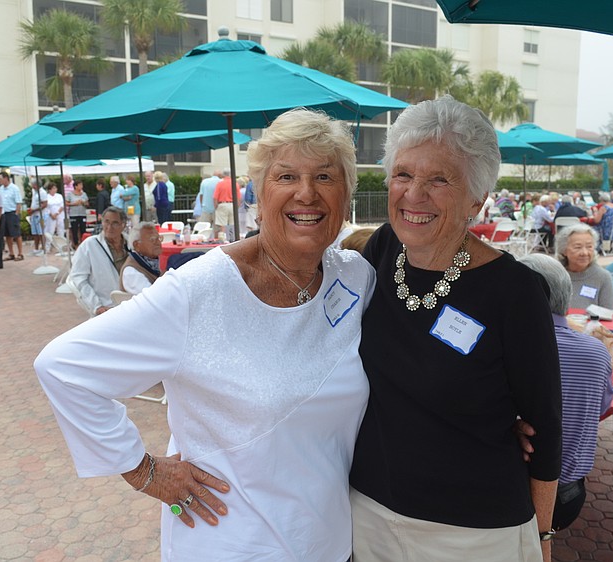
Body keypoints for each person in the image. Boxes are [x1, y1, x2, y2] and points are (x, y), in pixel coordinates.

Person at [35, 108, 375, 560]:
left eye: (326, 178)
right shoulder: (201, 291)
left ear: (347, 193)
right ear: (257, 192)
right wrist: (144, 471)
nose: (306, 193)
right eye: (286, 176)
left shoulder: (354, 278)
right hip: (232, 542)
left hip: (328, 541)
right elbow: (64, 368)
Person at [349, 97, 561, 562]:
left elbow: (544, 427)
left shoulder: (515, 292)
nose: (413, 194)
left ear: (476, 200)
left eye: (439, 179)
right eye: (403, 174)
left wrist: (543, 538)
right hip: (367, 515)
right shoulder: (381, 250)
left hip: (474, 532)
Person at [518, 253, 613, 532]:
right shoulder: (597, 352)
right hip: (568, 498)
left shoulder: (505, 349)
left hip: (515, 492)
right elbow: (600, 409)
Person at [68, 206, 129, 316]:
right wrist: (96, 305)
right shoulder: (89, 245)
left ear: (123, 225)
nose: (109, 227)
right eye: (106, 222)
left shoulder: (131, 245)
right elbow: (78, 278)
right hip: (107, 306)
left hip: (132, 303)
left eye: (115, 223)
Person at [555, 223, 613, 311]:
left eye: (589, 247)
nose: (584, 253)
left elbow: (611, 314)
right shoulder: (555, 276)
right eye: (577, 247)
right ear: (564, 250)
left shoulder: (603, 277)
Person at [120, 221, 162, 295]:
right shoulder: (131, 272)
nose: (158, 243)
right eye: (152, 239)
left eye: (158, 238)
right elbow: (153, 298)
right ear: (137, 245)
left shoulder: (153, 261)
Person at [0, 171, 25, 261]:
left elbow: (18, 202)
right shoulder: (1, 188)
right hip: (4, 213)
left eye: (0, 179)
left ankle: (20, 253)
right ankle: (11, 253)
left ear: (6, 178)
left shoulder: (14, 188)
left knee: (16, 234)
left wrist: (16, 214)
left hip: (12, 213)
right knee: (7, 235)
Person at [66, 179, 89, 248]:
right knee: (74, 230)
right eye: (80, 185)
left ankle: (83, 244)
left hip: (82, 214)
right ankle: (75, 244)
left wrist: (83, 203)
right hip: (73, 215)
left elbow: (87, 204)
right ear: (75, 186)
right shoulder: (70, 194)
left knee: (83, 229)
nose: (81, 186)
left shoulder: (84, 194)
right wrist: (74, 203)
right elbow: (66, 203)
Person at [28, 180, 48, 255]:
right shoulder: (34, 191)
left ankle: (43, 249)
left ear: (36, 185)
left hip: (40, 215)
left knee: (41, 232)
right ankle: (36, 249)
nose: (32, 186)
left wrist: (34, 210)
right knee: (35, 232)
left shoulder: (42, 192)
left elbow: (45, 204)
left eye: (33, 185)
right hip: (34, 214)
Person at [213, 168, 234, 239]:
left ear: (223, 175)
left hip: (222, 204)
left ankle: (223, 240)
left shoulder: (220, 184)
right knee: (232, 224)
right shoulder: (234, 183)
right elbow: (238, 197)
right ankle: (231, 238)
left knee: (222, 225)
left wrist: (216, 206)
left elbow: (215, 197)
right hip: (232, 204)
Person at [44, 182, 65, 251]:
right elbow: (46, 207)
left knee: (60, 230)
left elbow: (62, 205)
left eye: (55, 188)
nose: (55, 189)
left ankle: (60, 247)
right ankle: (47, 247)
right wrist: (52, 215)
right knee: (50, 231)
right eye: (53, 188)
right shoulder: (47, 196)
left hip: (59, 214)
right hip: (51, 215)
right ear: (49, 189)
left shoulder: (59, 196)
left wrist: (57, 213)